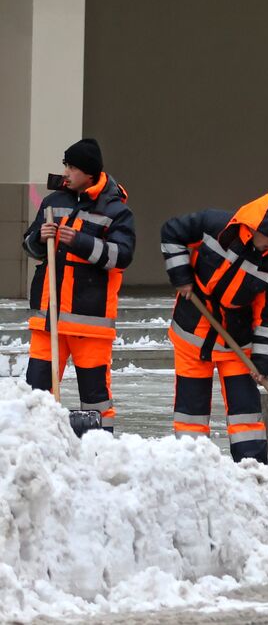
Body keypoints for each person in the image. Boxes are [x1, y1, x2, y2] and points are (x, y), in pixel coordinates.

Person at [161, 194, 268, 463]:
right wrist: (182, 278)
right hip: (192, 333)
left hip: (237, 342)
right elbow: (171, 233)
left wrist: (262, 362)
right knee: (191, 413)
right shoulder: (215, 225)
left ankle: (252, 469)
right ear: (252, 226)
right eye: (267, 236)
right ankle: (191, 466)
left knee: (245, 412)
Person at [20, 139, 135, 432]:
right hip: (48, 318)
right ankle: (38, 445)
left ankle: (101, 451)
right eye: (66, 166)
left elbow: (122, 256)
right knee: (36, 391)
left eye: (72, 167)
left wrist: (80, 242)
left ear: (89, 173)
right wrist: (38, 238)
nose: (66, 173)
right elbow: (29, 245)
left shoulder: (116, 210)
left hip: (90, 322)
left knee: (96, 399)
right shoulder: (53, 202)